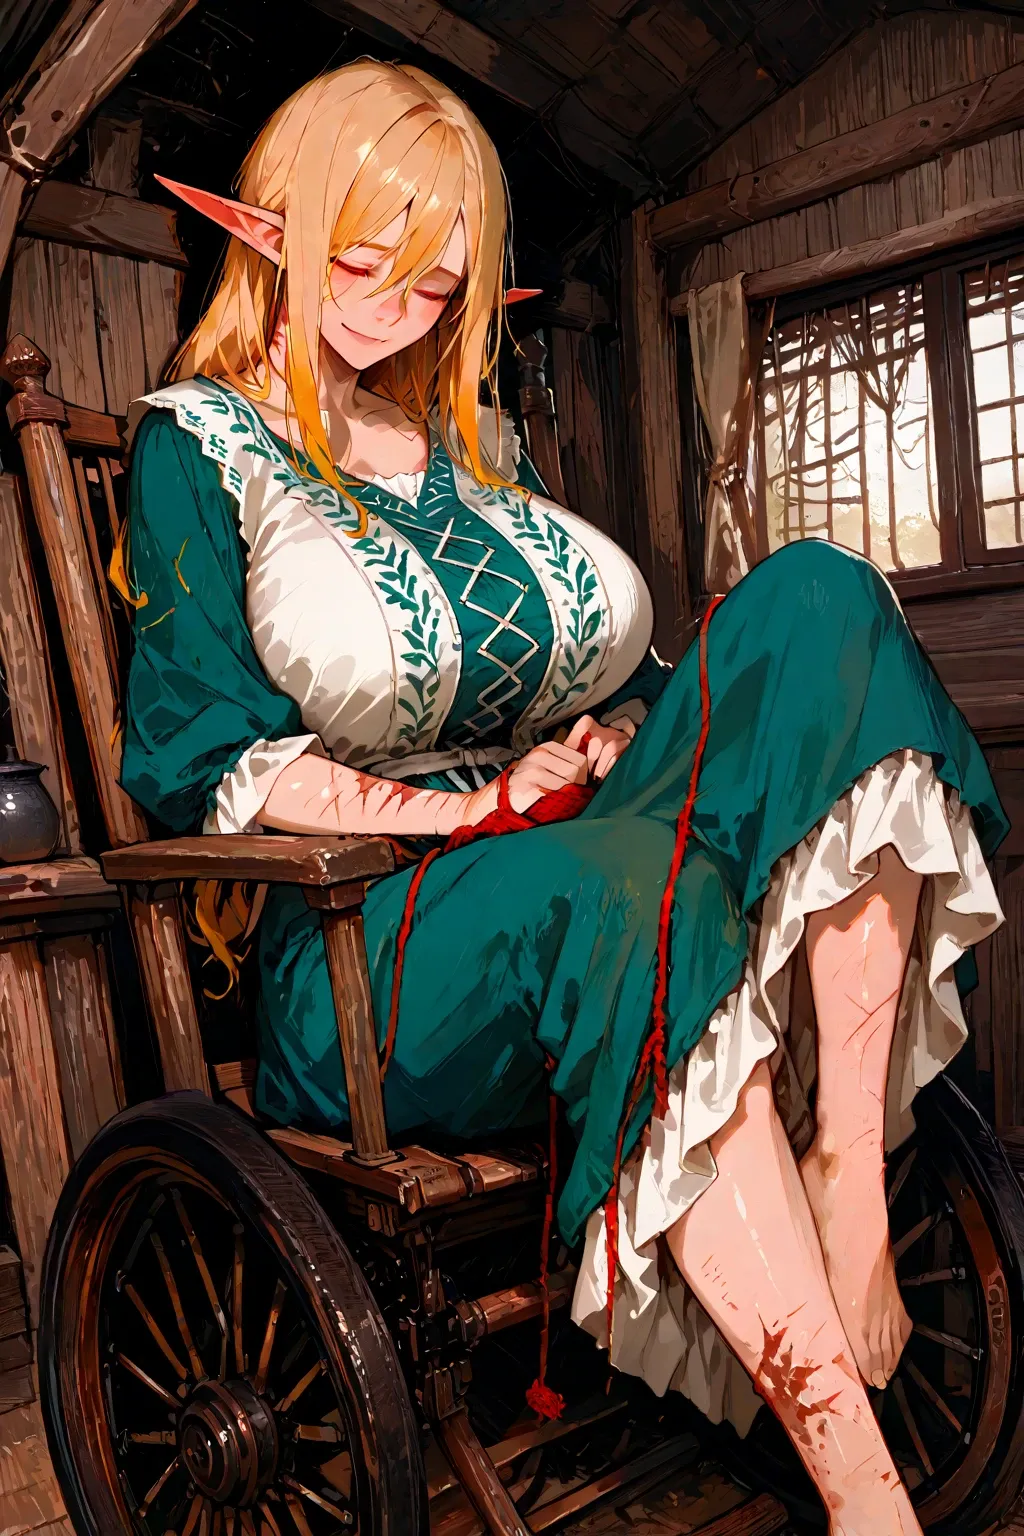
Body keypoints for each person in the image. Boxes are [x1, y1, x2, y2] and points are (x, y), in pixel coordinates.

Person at [121, 59, 1006, 1535]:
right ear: (276, 226)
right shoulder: (197, 447)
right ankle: (868, 1505)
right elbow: (205, 761)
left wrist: (603, 738)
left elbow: (622, 677)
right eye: (370, 262)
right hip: (372, 939)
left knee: (820, 599)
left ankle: (848, 1170)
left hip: (568, 846)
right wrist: (467, 812)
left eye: (438, 285)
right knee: (633, 896)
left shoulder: (483, 452)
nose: (402, 311)